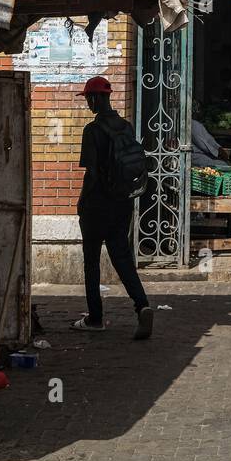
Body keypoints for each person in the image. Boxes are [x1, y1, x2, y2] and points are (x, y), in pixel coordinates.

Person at [71, 76, 154, 341]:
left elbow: (92, 174)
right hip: (123, 201)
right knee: (122, 257)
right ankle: (142, 305)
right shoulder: (126, 127)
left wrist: (83, 202)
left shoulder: (93, 131)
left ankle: (95, 318)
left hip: (97, 205)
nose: (88, 104)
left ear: (95, 99)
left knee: (92, 261)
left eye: (88, 99)